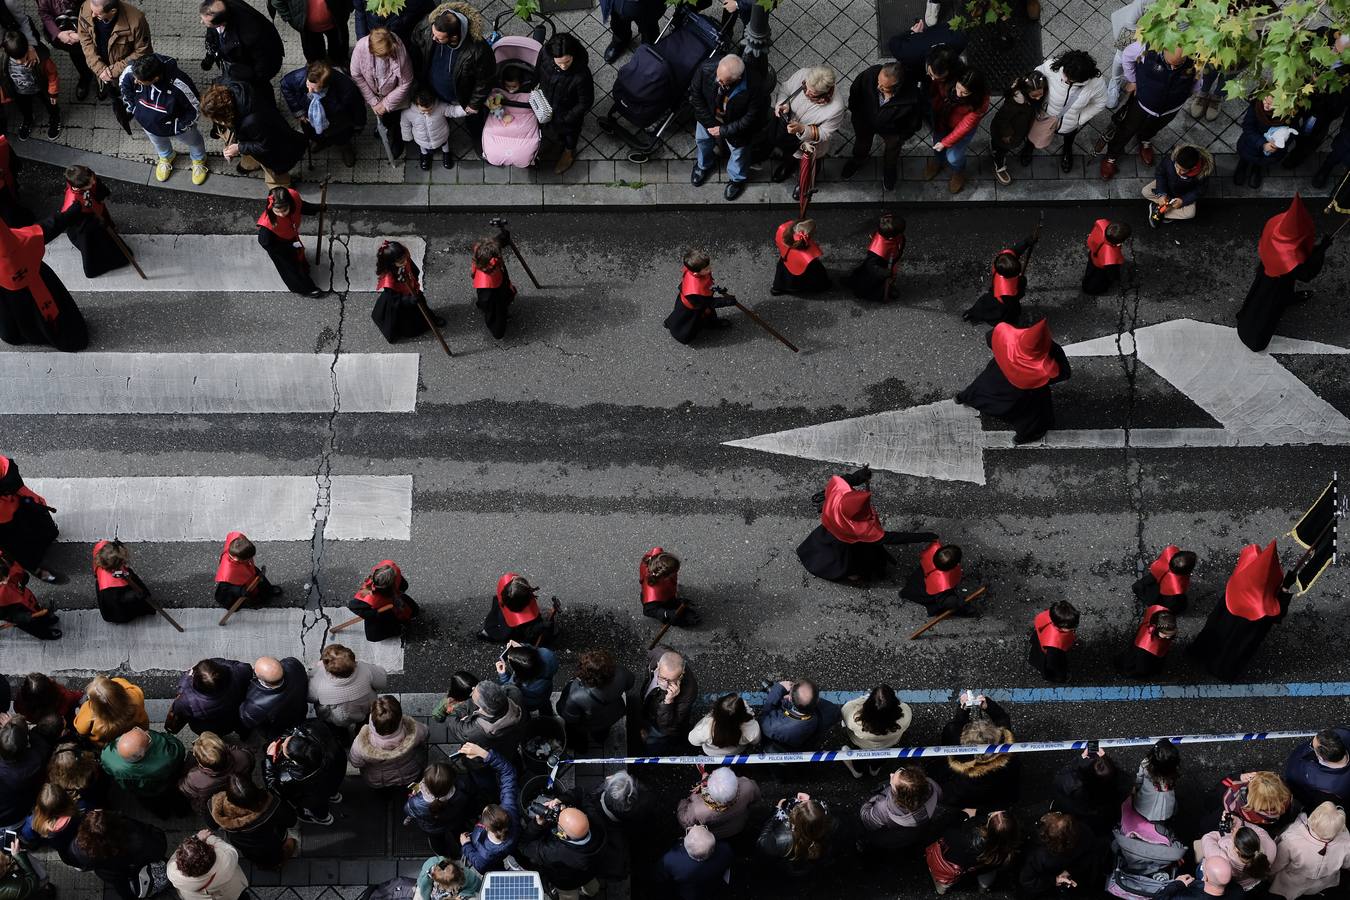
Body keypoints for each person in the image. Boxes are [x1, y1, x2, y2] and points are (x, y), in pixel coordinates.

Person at [797, 465, 937, 582]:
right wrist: (924, 536)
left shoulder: (836, 497)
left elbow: (844, 481)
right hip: (847, 545)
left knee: (826, 551)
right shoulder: (859, 530)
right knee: (853, 561)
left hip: (828, 532)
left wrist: (859, 476)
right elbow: (891, 538)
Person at [1237, 194, 1332, 353]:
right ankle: (1255, 338)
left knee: (1258, 298)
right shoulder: (1287, 257)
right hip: (1277, 284)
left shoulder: (1275, 224)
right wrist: (1320, 251)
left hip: (1266, 273)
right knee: (1268, 309)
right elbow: (1306, 273)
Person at [1187, 541, 1291, 682]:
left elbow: (1249, 556)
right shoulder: (1264, 605)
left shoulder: (1240, 580)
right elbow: (1278, 615)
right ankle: (1220, 671)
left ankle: (1199, 654)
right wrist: (1284, 590)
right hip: (1244, 633)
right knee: (1233, 650)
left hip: (1223, 623)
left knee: (1212, 638)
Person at [957, 319, 1072, 445]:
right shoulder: (1047, 358)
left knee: (981, 388)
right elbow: (1064, 374)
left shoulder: (1009, 336)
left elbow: (990, 338)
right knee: (1032, 416)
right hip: (1026, 390)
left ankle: (962, 397)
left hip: (998, 373)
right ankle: (1024, 436)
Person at [0, 201, 89, 352]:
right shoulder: (21, 243)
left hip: (6, 294)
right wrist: (75, 209)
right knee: (47, 315)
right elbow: (49, 227)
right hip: (35, 283)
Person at [1099, 44, 1198, 180]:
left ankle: (1145, 139)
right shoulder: (1146, 46)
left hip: (1171, 107)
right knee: (1127, 128)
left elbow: (1199, 79)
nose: (1173, 69)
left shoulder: (1199, 56)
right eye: (1170, 64)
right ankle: (1111, 156)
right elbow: (1127, 55)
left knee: (1155, 127)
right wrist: (1133, 80)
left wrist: (1190, 92)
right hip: (1142, 102)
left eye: (1179, 65)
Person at [411, 3, 494, 155]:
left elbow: (485, 80)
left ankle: (477, 137)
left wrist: (474, 104)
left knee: (474, 120)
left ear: (454, 37)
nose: (433, 37)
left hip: (462, 96)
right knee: (439, 120)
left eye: (439, 37)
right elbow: (416, 44)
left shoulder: (479, 50)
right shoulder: (428, 27)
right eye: (433, 33)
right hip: (433, 91)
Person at [119, 53, 208, 185]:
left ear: (155, 78)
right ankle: (166, 156)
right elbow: (124, 87)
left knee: (194, 142)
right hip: (148, 125)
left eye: (140, 81)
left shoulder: (179, 83)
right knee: (158, 143)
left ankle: (199, 159)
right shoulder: (134, 71)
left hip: (178, 129)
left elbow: (194, 107)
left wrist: (179, 126)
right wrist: (135, 109)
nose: (136, 82)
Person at [200, 80, 308, 189]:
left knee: (273, 171)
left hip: (272, 148)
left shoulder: (253, 121)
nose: (216, 121)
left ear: (225, 113)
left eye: (216, 119)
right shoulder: (235, 90)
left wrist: (239, 147)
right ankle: (250, 164)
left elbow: (266, 145)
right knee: (250, 151)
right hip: (260, 130)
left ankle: (282, 188)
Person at [688, 53, 764, 202]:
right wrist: (711, 125)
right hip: (709, 118)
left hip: (735, 126)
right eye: (717, 76)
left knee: (738, 153)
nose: (717, 81)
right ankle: (704, 164)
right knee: (702, 140)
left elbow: (750, 118)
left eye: (722, 82)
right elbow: (696, 96)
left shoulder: (754, 86)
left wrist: (723, 130)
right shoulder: (706, 67)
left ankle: (737, 179)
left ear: (737, 79)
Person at [769, 65, 848, 196]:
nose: (806, 94)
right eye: (805, 88)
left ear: (825, 92)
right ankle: (788, 166)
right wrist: (784, 103)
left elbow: (824, 133)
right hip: (789, 133)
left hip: (812, 144)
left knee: (812, 164)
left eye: (812, 94)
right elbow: (785, 89)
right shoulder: (804, 74)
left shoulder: (837, 107)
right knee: (791, 153)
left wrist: (802, 129)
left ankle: (805, 184)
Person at [843, 62, 922, 190]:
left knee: (893, 149)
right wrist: (857, 117)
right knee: (862, 143)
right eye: (878, 81)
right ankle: (858, 160)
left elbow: (913, 122)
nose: (878, 86)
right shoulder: (870, 75)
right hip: (866, 120)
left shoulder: (911, 96)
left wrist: (901, 136)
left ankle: (889, 169)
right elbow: (855, 93)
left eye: (884, 87)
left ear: (897, 86)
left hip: (892, 129)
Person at [77, 0, 151, 134]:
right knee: (109, 89)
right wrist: (99, 68)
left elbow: (143, 52)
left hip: (123, 70)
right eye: (92, 10)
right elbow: (84, 38)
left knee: (128, 90)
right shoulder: (87, 7)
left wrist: (113, 71)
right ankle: (106, 89)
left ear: (113, 11)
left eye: (97, 14)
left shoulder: (136, 20)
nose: (92, 15)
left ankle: (130, 106)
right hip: (101, 67)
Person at [1029, 51, 1106, 173]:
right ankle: (1029, 146)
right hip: (1045, 115)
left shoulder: (1096, 83)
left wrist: (1081, 118)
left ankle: (1067, 150)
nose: (1067, 81)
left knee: (1069, 137)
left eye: (1073, 81)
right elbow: (1036, 74)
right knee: (1036, 132)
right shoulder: (1051, 67)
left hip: (1071, 123)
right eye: (1066, 77)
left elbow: (1101, 102)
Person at [280, 60, 366, 167]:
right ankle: (321, 142)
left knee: (342, 136)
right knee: (314, 134)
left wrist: (359, 124)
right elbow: (285, 86)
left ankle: (345, 147)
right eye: (308, 85)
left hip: (337, 121)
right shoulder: (298, 77)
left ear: (326, 85)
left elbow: (357, 107)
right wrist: (299, 112)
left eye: (315, 88)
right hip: (309, 118)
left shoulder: (346, 87)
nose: (310, 91)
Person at [66, 810, 168, 900]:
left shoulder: (78, 848)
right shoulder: (133, 837)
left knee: (122, 887)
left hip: (111, 873)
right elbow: (158, 847)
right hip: (133, 865)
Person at [263, 722, 345, 825]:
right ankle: (334, 795)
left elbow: (273, 787)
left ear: (295, 761)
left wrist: (269, 759)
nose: (282, 743)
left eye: (283, 746)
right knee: (332, 787)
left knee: (319, 806)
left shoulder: (291, 777)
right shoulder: (316, 731)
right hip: (337, 771)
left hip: (314, 795)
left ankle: (323, 818)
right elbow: (305, 726)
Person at [457, 742, 520, 874]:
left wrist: (466, 845)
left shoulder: (485, 854)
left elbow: (479, 865)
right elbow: (508, 773)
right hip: (513, 845)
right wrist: (484, 754)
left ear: (484, 827)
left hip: (494, 859)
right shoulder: (510, 810)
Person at [208, 775, 297, 869]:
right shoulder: (273, 805)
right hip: (270, 842)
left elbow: (212, 825)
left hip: (242, 844)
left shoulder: (216, 808)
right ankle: (275, 864)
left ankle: (262, 864)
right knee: (275, 855)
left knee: (252, 855)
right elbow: (291, 821)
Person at [351, 27, 411, 161]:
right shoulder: (361, 48)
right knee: (383, 116)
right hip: (375, 93)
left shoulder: (400, 51)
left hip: (395, 93)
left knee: (396, 118)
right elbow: (356, 75)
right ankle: (385, 126)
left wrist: (386, 104)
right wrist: (374, 101)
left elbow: (406, 82)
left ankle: (397, 138)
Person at [925, 67, 988, 194]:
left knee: (953, 156)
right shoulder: (948, 81)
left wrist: (946, 143)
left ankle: (958, 171)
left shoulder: (980, 102)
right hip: (942, 121)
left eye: (965, 93)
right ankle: (938, 161)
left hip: (961, 129)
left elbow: (965, 126)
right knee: (936, 145)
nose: (958, 94)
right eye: (958, 88)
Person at [926, 809, 1019, 894]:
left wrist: (965, 815)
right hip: (985, 867)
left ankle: (941, 891)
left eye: (990, 815)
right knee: (989, 874)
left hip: (960, 865)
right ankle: (983, 890)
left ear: (988, 826)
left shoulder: (965, 838)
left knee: (944, 883)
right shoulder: (1007, 850)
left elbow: (948, 835)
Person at [1269, 801, 1350, 899]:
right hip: (1321, 884)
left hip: (1292, 883)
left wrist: (1269, 875)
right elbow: (1347, 864)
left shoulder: (1292, 839)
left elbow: (1278, 863)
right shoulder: (1346, 842)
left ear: (1314, 817)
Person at [537, 33, 592, 176]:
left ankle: (569, 152)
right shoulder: (545, 54)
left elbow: (585, 102)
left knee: (570, 134)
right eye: (559, 62)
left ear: (573, 56)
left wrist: (567, 118)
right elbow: (537, 71)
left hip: (567, 112)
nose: (563, 66)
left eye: (567, 62)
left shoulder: (582, 75)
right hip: (547, 103)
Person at [99, 726, 187, 815]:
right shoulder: (167, 758)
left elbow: (107, 770)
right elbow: (178, 748)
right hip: (163, 786)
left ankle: (162, 815)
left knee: (153, 806)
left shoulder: (106, 756)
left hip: (139, 792)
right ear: (141, 755)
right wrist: (158, 737)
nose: (147, 732)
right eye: (149, 738)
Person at [556, 649, 632, 751]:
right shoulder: (621, 671)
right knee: (602, 732)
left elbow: (568, 716)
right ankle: (600, 740)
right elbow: (630, 683)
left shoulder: (576, 695)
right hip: (615, 713)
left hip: (590, 723)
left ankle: (580, 748)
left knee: (575, 733)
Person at [859, 765, 948, 852]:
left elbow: (867, 820)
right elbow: (940, 797)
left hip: (891, 836)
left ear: (898, 796)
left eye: (893, 785)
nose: (891, 774)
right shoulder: (933, 786)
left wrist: (870, 802)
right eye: (901, 770)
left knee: (876, 840)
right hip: (916, 832)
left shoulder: (883, 808)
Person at [59, 165, 128, 279]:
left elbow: (96, 188)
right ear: (77, 188)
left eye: (92, 180)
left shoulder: (88, 179)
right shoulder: (72, 203)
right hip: (85, 226)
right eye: (89, 184)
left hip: (95, 215)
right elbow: (73, 220)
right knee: (95, 245)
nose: (93, 183)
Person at [941, 718, 1021, 814]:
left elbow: (950, 730)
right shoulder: (1010, 759)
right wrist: (989, 705)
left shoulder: (963, 771)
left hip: (970, 799)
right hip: (1002, 796)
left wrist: (962, 711)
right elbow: (1003, 719)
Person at [306, 643, 388, 737]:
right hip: (364, 709)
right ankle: (360, 736)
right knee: (363, 727)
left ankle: (343, 740)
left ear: (328, 669)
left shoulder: (319, 680)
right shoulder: (364, 669)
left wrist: (317, 669)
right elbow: (382, 680)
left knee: (337, 730)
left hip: (338, 717)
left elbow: (309, 696)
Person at [348, 695, 427, 790]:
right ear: (400, 718)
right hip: (409, 773)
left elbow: (356, 763)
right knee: (408, 788)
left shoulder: (361, 745)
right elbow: (426, 733)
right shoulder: (415, 731)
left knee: (382, 792)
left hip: (378, 779)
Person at [256, 187, 324, 298]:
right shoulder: (267, 227)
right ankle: (306, 290)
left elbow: (302, 206)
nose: (282, 214)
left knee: (298, 257)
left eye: (284, 210)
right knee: (291, 269)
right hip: (279, 247)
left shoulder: (294, 197)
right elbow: (265, 243)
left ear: (290, 204)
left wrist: (318, 208)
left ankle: (304, 270)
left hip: (291, 238)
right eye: (277, 211)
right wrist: (288, 247)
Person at [198, 0, 282, 88]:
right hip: (236, 60)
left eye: (206, 22)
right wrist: (209, 58)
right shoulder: (218, 12)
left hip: (254, 68)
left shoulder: (251, 33)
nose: (201, 22)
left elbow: (264, 63)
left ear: (221, 23)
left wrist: (253, 82)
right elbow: (212, 37)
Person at [372, 240, 444, 343]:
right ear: (392, 263)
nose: (405, 262)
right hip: (403, 302)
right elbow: (394, 299)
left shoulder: (404, 260)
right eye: (401, 261)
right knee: (409, 320)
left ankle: (431, 319)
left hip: (413, 290)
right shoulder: (389, 280)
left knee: (423, 306)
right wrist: (408, 300)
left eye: (405, 258)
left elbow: (413, 270)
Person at [1017, 811, 1101, 897]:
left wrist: (1055, 880)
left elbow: (1027, 881)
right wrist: (1070, 871)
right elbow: (1091, 853)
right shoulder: (1084, 831)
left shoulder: (1040, 856)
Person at [663, 248, 737, 344]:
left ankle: (670, 323)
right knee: (690, 323)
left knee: (679, 316)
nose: (710, 269)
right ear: (696, 273)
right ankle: (711, 324)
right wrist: (726, 301)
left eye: (709, 265)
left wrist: (716, 289)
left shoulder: (694, 270)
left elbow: (707, 283)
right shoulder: (694, 289)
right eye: (706, 269)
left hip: (688, 300)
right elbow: (708, 303)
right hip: (693, 307)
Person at [962, 232, 1037, 325]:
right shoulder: (1006, 291)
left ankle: (971, 314)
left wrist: (1026, 242)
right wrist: (1022, 282)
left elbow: (1015, 250)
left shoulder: (1002, 260)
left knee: (982, 304)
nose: (1018, 273)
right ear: (1008, 276)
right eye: (1016, 273)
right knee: (1008, 316)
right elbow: (1018, 296)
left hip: (992, 294)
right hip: (1000, 305)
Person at [633, 646, 698, 753]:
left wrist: (668, 701)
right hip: (649, 706)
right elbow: (649, 655)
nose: (664, 684)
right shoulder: (659, 653)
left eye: (671, 680)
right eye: (662, 677)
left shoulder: (689, 692)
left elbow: (669, 726)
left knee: (655, 740)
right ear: (658, 665)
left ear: (681, 675)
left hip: (660, 723)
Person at [0, 30, 60, 140]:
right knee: (24, 107)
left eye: (24, 57)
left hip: (42, 89)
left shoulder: (41, 58)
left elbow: (52, 75)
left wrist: (53, 93)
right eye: (16, 59)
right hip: (19, 91)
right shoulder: (4, 59)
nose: (20, 62)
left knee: (51, 105)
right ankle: (28, 120)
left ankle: (55, 119)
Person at [840, 684, 910, 778]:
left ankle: (857, 772)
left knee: (858, 759)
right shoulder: (906, 716)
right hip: (887, 745)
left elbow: (846, 709)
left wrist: (863, 699)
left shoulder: (855, 720)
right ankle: (874, 769)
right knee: (880, 759)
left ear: (869, 704)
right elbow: (903, 706)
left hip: (860, 745)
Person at [989, 70, 1046, 186]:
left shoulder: (1029, 100)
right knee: (1002, 149)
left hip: (1018, 130)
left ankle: (994, 147)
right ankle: (998, 163)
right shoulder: (1014, 103)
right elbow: (1002, 119)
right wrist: (1007, 134)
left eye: (1041, 94)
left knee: (1001, 145)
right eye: (1034, 95)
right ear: (1025, 92)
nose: (1038, 98)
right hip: (1007, 134)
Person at [177, 732, 253, 818]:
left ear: (203, 765)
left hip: (213, 804)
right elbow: (244, 753)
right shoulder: (243, 756)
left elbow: (183, 788)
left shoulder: (194, 778)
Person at [443, 680, 526, 756]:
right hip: (510, 744)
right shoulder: (514, 693)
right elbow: (508, 687)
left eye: (473, 694)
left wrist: (455, 709)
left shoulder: (473, 731)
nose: (473, 688)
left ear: (482, 708)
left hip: (488, 756)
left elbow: (452, 723)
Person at [676, 766, 762, 838]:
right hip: (738, 826)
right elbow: (756, 798)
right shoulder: (748, 786)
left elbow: (685, 820)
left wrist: (686, 800)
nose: (713, 771)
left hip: (716, 834)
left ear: (709, 791)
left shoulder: (697, 810)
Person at [758, 679, 842, 752]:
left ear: (790, 698)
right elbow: (836, 713)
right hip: (808, 741)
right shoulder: (830, 710)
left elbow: (764, 719)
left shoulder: (776, 726)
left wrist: (777, 690)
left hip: (787, 745)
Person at [1052, 749, 1122, 836]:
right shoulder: (1115, 793)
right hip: (1096, 825)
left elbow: (1059, 778)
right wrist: (1108, 763)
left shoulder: (1071, 783)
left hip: (1070, 814)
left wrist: (1080, 760)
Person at [1235, 95, 1299, 189]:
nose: (1266, 104)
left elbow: (1292, 132)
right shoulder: (1256, 106)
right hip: (1252, 142)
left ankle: (1257, 168)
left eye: (1272, 103)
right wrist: (1262, 144)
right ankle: (1243, 164)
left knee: (1263, 160)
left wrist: (1278, 144)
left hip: (1272, 146)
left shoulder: (1289, 114)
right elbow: (1248, 127)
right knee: (1246, 154)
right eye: (1265, 100)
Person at [348, 559, 420, 642]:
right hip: (385, 608)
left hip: (392, 604)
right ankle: (398, 627)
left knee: (414, 611)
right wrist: (375, 614)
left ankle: (399, 626)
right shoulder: (368, 597)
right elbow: (352, 605)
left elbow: (403, 586)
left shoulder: (392, 572)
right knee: (373, 636)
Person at [239, 657, 308, 741]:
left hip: (277, 730)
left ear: (262, 680)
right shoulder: (293, 664)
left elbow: (247, 721)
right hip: (299, 714)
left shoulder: (254, 706)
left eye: (255, 672)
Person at [0, 715, 50, 829]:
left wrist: (9, 731)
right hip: (18, 815)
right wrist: (18, 729)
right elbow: (42, 743)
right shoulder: (35, 762)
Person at [1143, 145, 1213, 226]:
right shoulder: (1170, 159)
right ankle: (1165, 207)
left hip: (1183, 194)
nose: (1178, 172)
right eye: (1176, 166)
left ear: (1193, 168)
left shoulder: (1202, 174)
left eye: (1183, 170)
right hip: (1167, 185)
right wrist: (1161, 193)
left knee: (1190, 214)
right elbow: (1160, 174)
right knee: (1145, 191)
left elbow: (1199, 191)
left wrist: (1183, 200)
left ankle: (1159, 210)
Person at [167, 832, 248, 900]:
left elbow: (174, 858)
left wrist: (195, 838)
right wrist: (209, 837)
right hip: (232, 892)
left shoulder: (172, 872)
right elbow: (230, 849)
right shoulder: (227, 858)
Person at [843, 211, 904, 302]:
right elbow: (871, 265)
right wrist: (883, 272)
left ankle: (889, 286)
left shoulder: (894, 235)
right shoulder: (877, 248)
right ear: (891, 237)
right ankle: (880, 293)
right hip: (878, 268)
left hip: (889, 262)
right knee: (873, 284)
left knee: (890, 276)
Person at [1283, 727, 1350, 810]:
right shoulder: (1344, 733)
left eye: (1311, 745)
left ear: (1321, 757)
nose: (1309, 744)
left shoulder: (1323, 783)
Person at [213, 531, 282, 610]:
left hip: (246, 569)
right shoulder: (227, 572)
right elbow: (226, 587)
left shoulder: (237, 545)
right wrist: (239, 590)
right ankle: (253, 600)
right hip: (236, 584)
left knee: (258, 578)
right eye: (248, 559)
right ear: (236, 558)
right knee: (246, 594)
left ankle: (268, 590)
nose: (250, 559)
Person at [478, 572, 553, 645]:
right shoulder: (522, 624)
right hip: (506, 631)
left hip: (495, 623)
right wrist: (541, 626)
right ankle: (490, 636)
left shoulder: (506, 595)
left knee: (495, 625)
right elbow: (530, 632)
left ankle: (486, 633)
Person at [1197, 823, 1275, 893]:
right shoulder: (1271, 846)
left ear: (1236, 849)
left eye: (1233, 834)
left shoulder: (1222, 856)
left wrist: (1222, 834)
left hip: (1229, 882)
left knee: (1201, 869)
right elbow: (1259, 830)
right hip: (1251, 883)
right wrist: (1240, 821)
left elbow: (1207, 837)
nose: (1233, 829)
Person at [73, 674, 147, 747]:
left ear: (95, 705)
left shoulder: (90, 718)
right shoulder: (136, 696)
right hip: (136, 735)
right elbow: (119, 681)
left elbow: (80, 729)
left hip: (109, 745)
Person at [90, 539, 153, 623]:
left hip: (106, 583)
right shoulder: (113, 586)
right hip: (114, 592)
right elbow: (126, 597)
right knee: (131, 600)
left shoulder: (102, 548)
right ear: (118, 564)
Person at [39, 0, 92, 100]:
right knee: (77, 56)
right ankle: (86, 77)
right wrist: (59, 33)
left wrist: (83, 35)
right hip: (67, 33)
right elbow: (44, 13)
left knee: (101, 52)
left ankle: (103, 80)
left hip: (90, 25)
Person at [268, 0, 350, 65]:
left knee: (339, 51)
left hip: (335, 23)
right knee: (315, 58)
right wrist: (289, 18)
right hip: (308, 28)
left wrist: (348, 8)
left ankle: (338, 62)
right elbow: (277, 2)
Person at [18, 783, 82, 865]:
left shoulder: (33, 821)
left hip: (54, 843)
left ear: (40, 806)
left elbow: (28, 835)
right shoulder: (75, 810)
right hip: (69, 841)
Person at [664, 824, 732, 899]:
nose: (695, 825)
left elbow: (659, 876)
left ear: (685, 845)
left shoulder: (670, 860)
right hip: (714, 887)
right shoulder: (725, 849)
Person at [900, 540, 967, 615]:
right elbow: (946, 601)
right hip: (924, 594)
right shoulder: (941, 584)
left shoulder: (932, 555)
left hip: (916, 582)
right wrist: (958, 602)